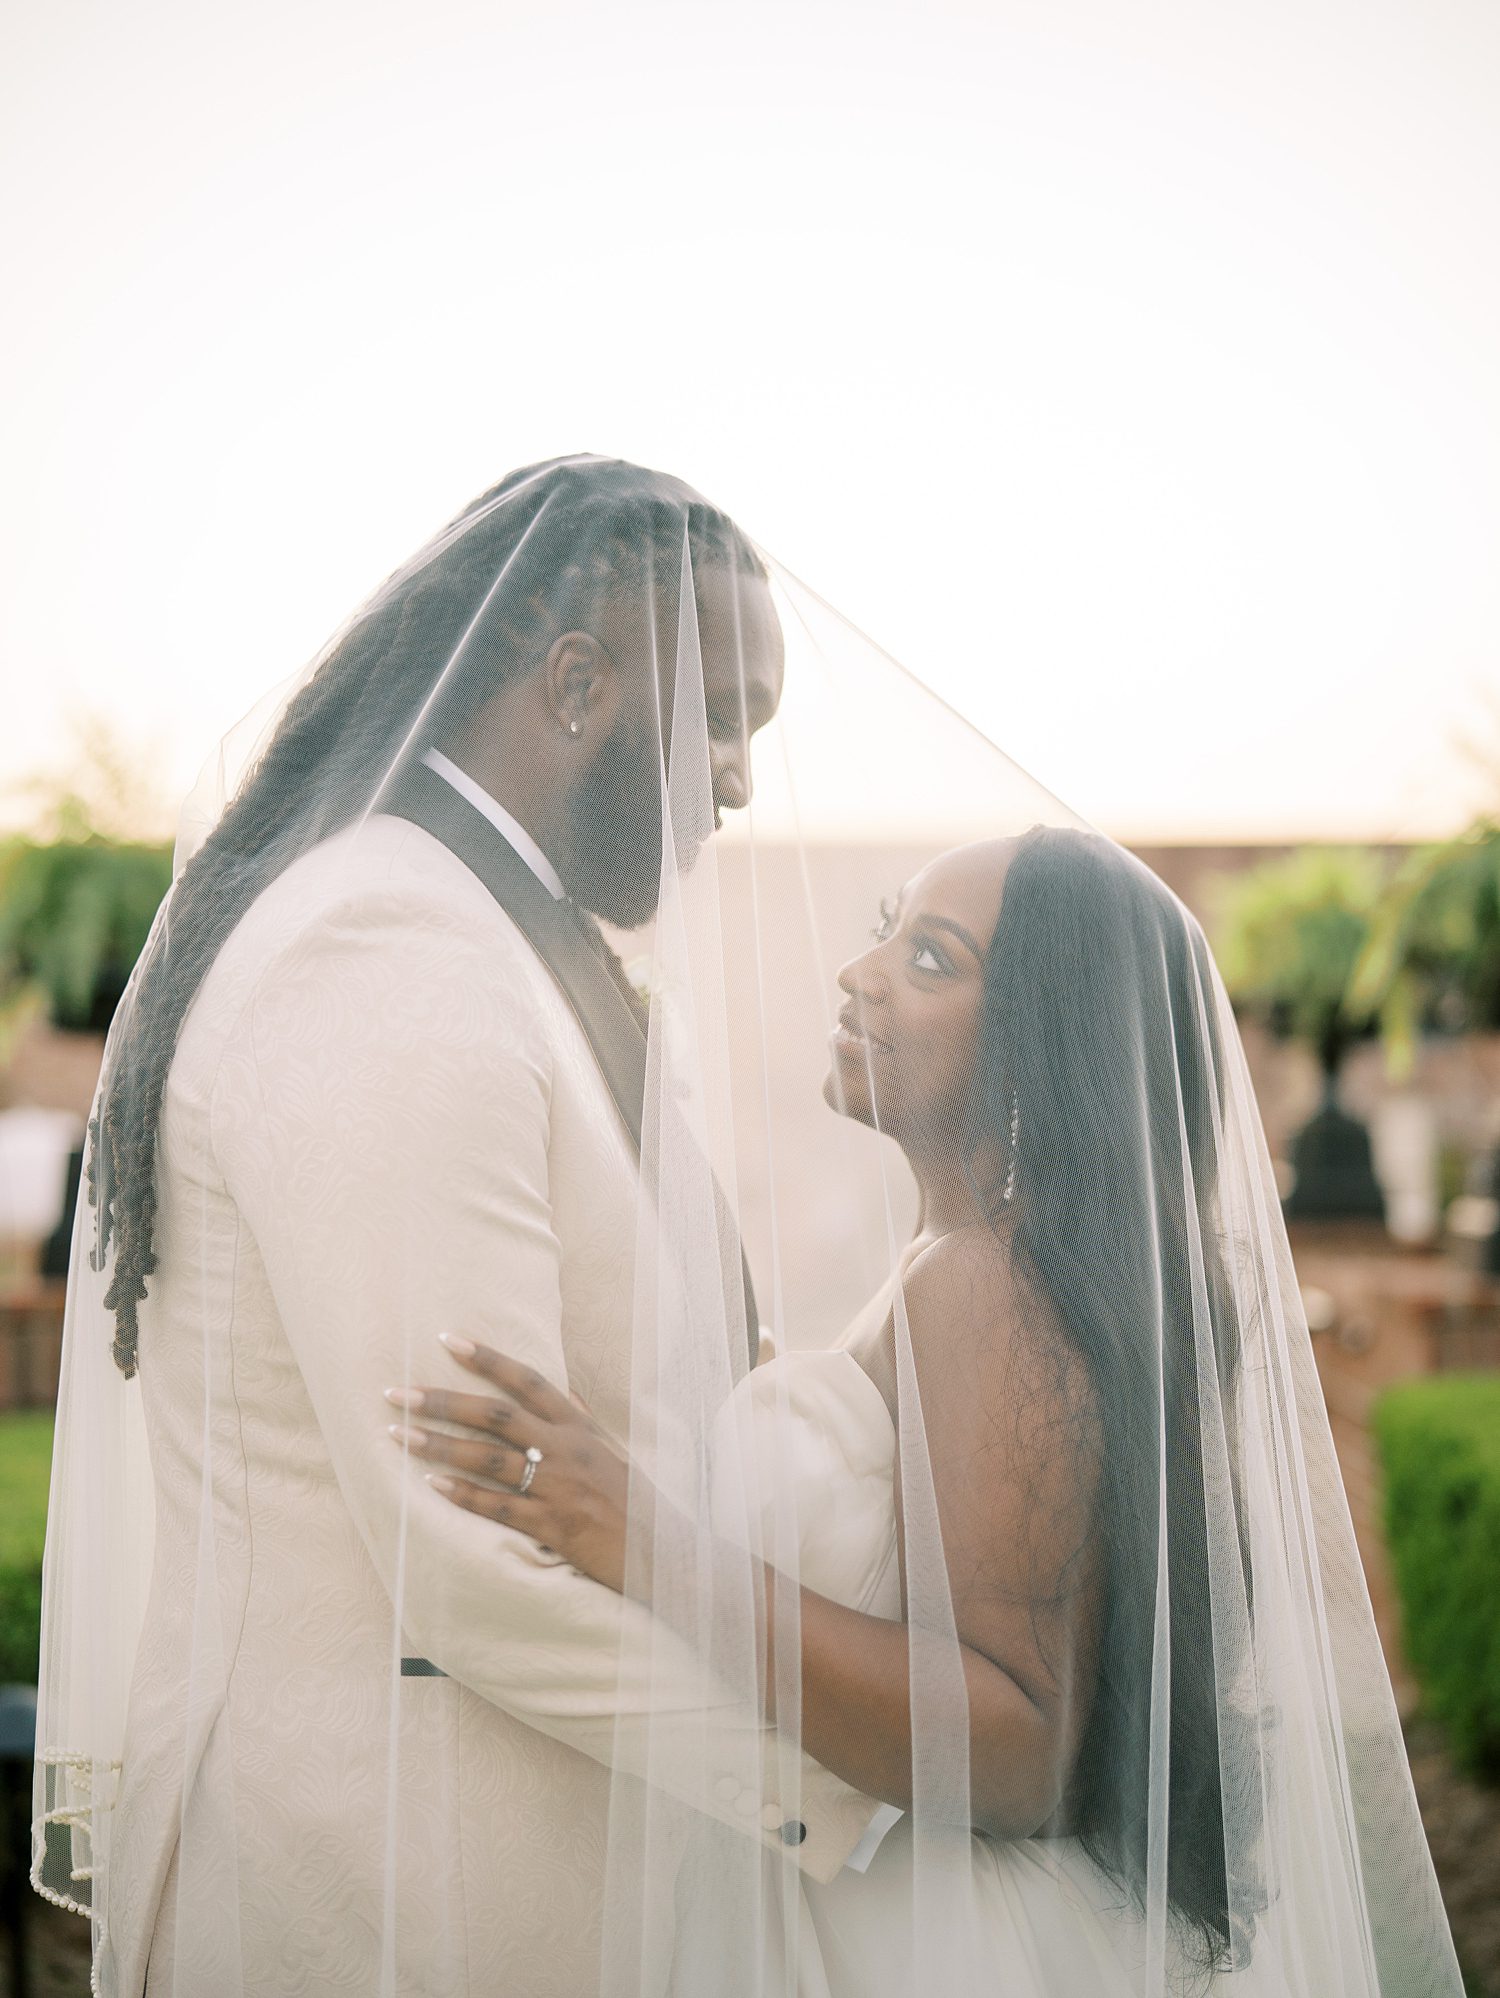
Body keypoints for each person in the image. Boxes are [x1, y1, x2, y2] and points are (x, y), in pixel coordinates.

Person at [32, 458, 884, 1998]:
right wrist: (864, 1791)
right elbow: (468, 1551)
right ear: (575, 686)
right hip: (385, 1896)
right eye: (725, 720)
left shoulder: (508, 941)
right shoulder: (389, 950)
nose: (747, 780)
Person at [397, 827, 1466, 1997]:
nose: (861, 975)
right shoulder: (969, 1269)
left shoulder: (986, 1283)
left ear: (1042, 1045)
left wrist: (645, 1540)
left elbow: (1022, 1742)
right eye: (885, 933)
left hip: (943, 1945)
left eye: (934, 959)